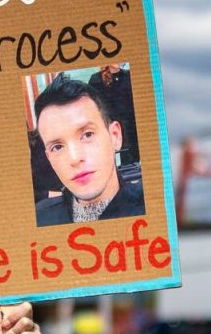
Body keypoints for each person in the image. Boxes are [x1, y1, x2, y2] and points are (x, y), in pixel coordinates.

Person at [33, 74, 145, 226]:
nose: (74, 158)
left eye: (87, 135)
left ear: (115, 136)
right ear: (49, 157)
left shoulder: (154, 205)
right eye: (57, 147)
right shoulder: (39, 218)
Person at [88, 63, 139, 165]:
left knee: (132, 164)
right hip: (108, 126)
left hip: (130, 129)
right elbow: (92, 105)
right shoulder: (96, 79)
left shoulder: (128, 75)